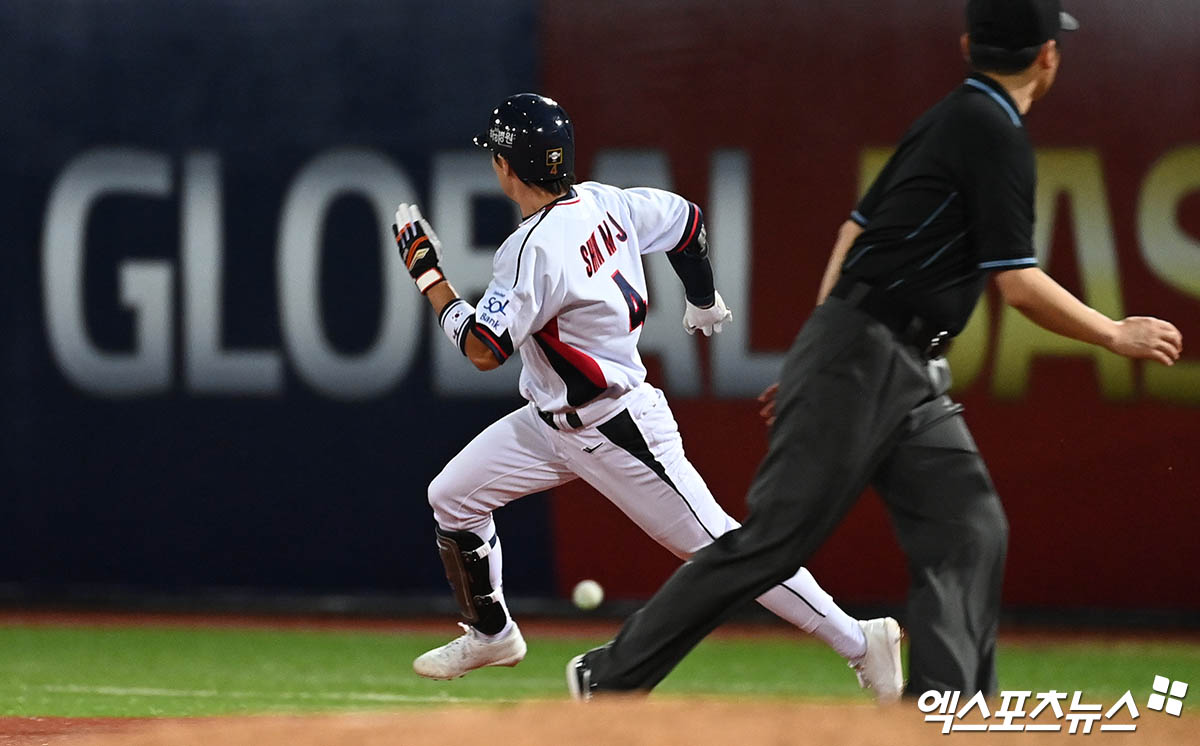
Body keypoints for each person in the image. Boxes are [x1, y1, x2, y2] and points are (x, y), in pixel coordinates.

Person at [567, 0, 1184, 700]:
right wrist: (1112, 333)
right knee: (775, 542)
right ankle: (610, 676)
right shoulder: (994, 130)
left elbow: (848, 234)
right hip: (867, 356)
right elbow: (1016, 284)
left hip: (893, 365)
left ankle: (945, 706)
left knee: (969, 528)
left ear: (966, 45)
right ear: (1048, 56)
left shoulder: (951, 117)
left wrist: (816, 349)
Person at [394, 92, 904, 700]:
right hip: (550, 423)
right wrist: (704, 297)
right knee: (451, 496)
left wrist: (428, 275)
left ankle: (859, 640)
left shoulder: (530, 250)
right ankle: (491, 633)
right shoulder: (607, 202)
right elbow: (688, 222)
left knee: (723, 547)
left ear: (507, 167)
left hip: (615, 427)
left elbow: (483, 348)